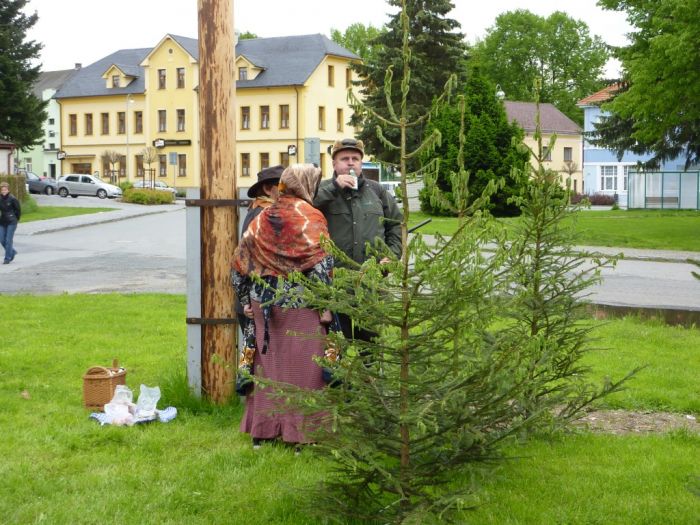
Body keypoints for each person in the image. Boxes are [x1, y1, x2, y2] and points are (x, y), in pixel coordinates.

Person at [232, 163, 333, 449]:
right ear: (306, 185)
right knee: (305, 370)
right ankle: (302, 435)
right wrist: (327, 305)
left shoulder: (263, 216)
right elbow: (322, 263)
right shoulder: (309, 216)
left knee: (269, 367)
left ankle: (263, 433)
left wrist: (244, 301)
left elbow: (239, 263)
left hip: (263, 303)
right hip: (302, 305)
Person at [312, 138, 402, 340]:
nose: (350, 163)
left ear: (362, 163)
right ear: (334, 164)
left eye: (355, 158)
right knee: (335, 348)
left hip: (371, 283)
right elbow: (307, 209)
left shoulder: (377, 191)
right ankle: (337, 372)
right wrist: (335, 187)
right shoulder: (323, 190)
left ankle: (369, 372)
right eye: (344, 159)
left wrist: (392, 255)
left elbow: (395, 225)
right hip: (334, 284)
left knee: (370, 347)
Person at [235, 165, 283, 330]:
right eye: (283, 187)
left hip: (258, 300)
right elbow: (243, 262)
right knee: (258, 354)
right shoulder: (264, 214)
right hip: (256, 301)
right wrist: (246, 301)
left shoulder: (259, 209)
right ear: (268, 189)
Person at [0, 182, 21, 265]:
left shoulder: (13, 199)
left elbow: (18, 210)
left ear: (8, 190)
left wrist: (16, 219)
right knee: (2, 240)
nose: (4, 191)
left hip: (12, 222)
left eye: (5, 189)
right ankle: (12, 252)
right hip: (2, 222)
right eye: (2, 190)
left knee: (8, 240)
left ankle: (7, 258)